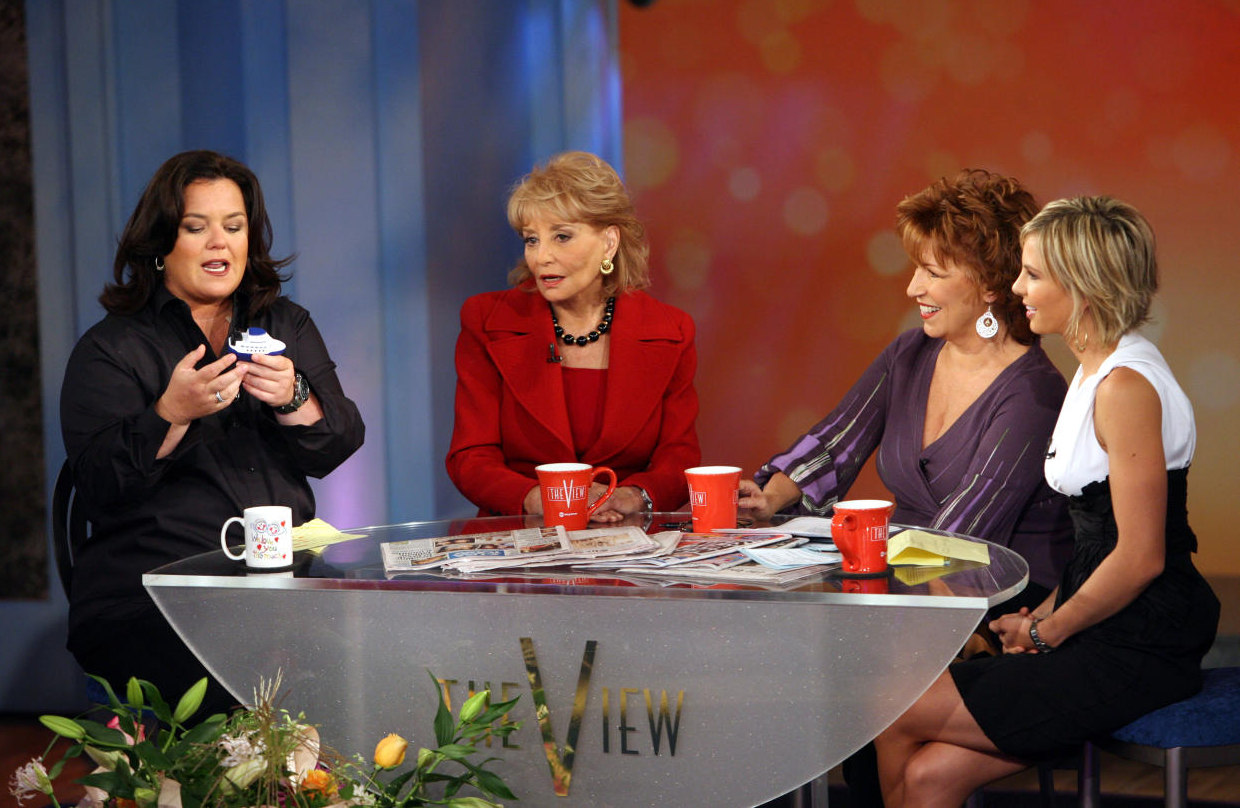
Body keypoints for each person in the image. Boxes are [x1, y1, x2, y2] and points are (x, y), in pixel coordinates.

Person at [873, 197, 1220, 807]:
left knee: (891, 705)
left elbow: (1140, 557)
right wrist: (1038, 620)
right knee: (928, 777)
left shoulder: (1126, 386)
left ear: (1085, 286)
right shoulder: (1092, 370)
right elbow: (1096, 544)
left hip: (1139, 643)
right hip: (1098, 626)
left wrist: (1047, 632)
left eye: (1032, 274)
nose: (1016, 287)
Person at [61, 150, 365, 714]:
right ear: (159, 245)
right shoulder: (111, 348)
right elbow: (100, 485)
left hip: (280, 585)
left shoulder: (283, 323)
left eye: (234, 226)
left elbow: (339, 443)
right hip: (152, 595)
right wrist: (171, 412)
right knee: (226, 671)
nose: (219, 243)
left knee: (371, 654)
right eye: (196, 228)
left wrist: (293, 395)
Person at [740, 169, 1073, 608]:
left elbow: (962, 540)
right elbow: (837, 441)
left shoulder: (1034, 394)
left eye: (932, 272)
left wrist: (851, 578)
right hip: (902, 578)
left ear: (991, 283)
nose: (913, 287)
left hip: (994, 600)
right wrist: (768, 499)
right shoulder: (910, 352)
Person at [446, 151, 700, 520]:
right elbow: (470, 457)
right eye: (532, 240)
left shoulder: (671, 331)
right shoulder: (486, 320)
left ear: (609, 242)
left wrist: (634, 496)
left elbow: (680, 457)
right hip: (521, 542)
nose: (541, 257)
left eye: (561, 236)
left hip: (629, 542)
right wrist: (537, 499)